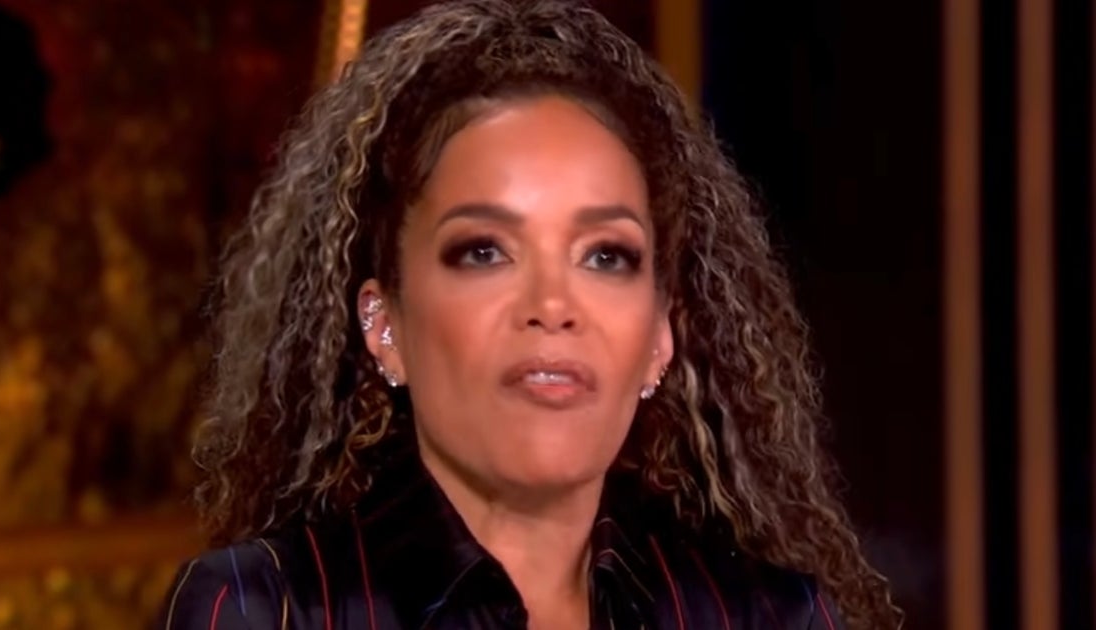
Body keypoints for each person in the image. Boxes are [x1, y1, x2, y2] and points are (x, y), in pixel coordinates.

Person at [157, 1, 901, 628]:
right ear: (386, 329)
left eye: (604, 256)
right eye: (484, 251)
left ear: (659, 338)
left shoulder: (767, 615)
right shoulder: (263, 609)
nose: (552, 306)